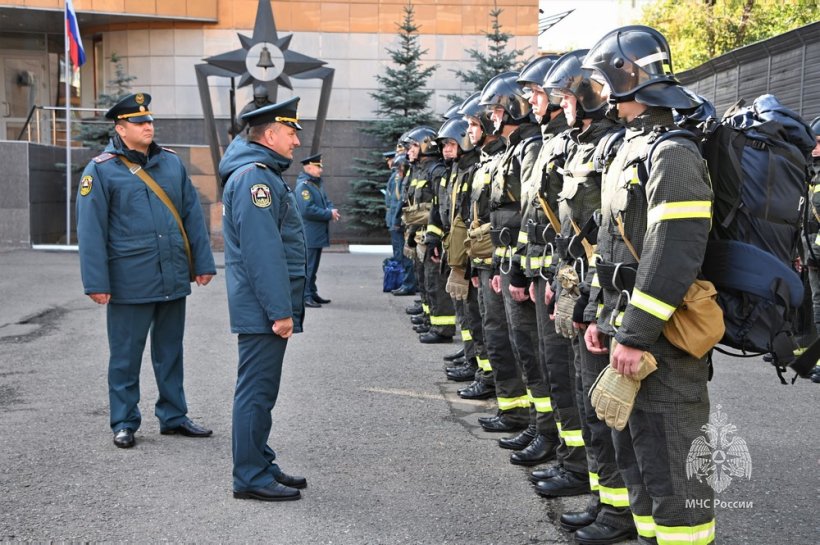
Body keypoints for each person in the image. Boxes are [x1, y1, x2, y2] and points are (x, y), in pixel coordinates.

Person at [582, 26, 716, 544]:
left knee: (673, 470)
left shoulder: (672, 152)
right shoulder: (632, 146)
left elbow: (674, 252)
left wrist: (635, 334)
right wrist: (600, 317)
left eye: (601, 80)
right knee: (639, 462)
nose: (596, 92)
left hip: (661, 342)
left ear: (628, 77)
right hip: (626, 329)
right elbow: (610, 245)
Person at [76, 92, 216, 450]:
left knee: (171, 352)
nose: (148, 126)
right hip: (129, 279)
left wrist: (202, 263)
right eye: (139, 122)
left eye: (149, 120)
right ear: (121, 128)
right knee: (125, 355)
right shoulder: (101, 170)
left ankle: (174, 416)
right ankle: (124, 421)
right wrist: (96, 282)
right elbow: (91, 231)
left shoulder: (171, 163)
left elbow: (191, 214)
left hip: (172, 274)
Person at [540, 50, 636, 543]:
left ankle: (618, 511)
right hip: (577, 287)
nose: (560, 105)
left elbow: (609, 236)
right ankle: (604, 499)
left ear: (588, 96)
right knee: (587, 400)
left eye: (565, 97)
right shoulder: (582, 146)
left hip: (599, 293)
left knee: (605, 408)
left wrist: (591, 304)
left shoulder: (610, 146)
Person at [219, 96, 309, 502]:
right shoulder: (254, 180)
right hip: (263, 307)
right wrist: (280, 311)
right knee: (256, 391)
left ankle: (260, 460)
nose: (296, 141)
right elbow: (262, 252)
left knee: (262, 390)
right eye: (291, 133)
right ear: (270, 135)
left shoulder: (262, 174)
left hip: (262, 305)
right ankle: (250, 475)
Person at [294, 153, 339, 308]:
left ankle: (312, 292)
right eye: (318, 167)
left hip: (317, 233)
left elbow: (326, 201)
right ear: (309, 168)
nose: (321, 170)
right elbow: (307, 210)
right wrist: (329, 214)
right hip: (310, 233)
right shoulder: (304, 186)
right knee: (309, 266)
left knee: (313, 267)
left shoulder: (315, 184)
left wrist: (331, 210)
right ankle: (306, 296)